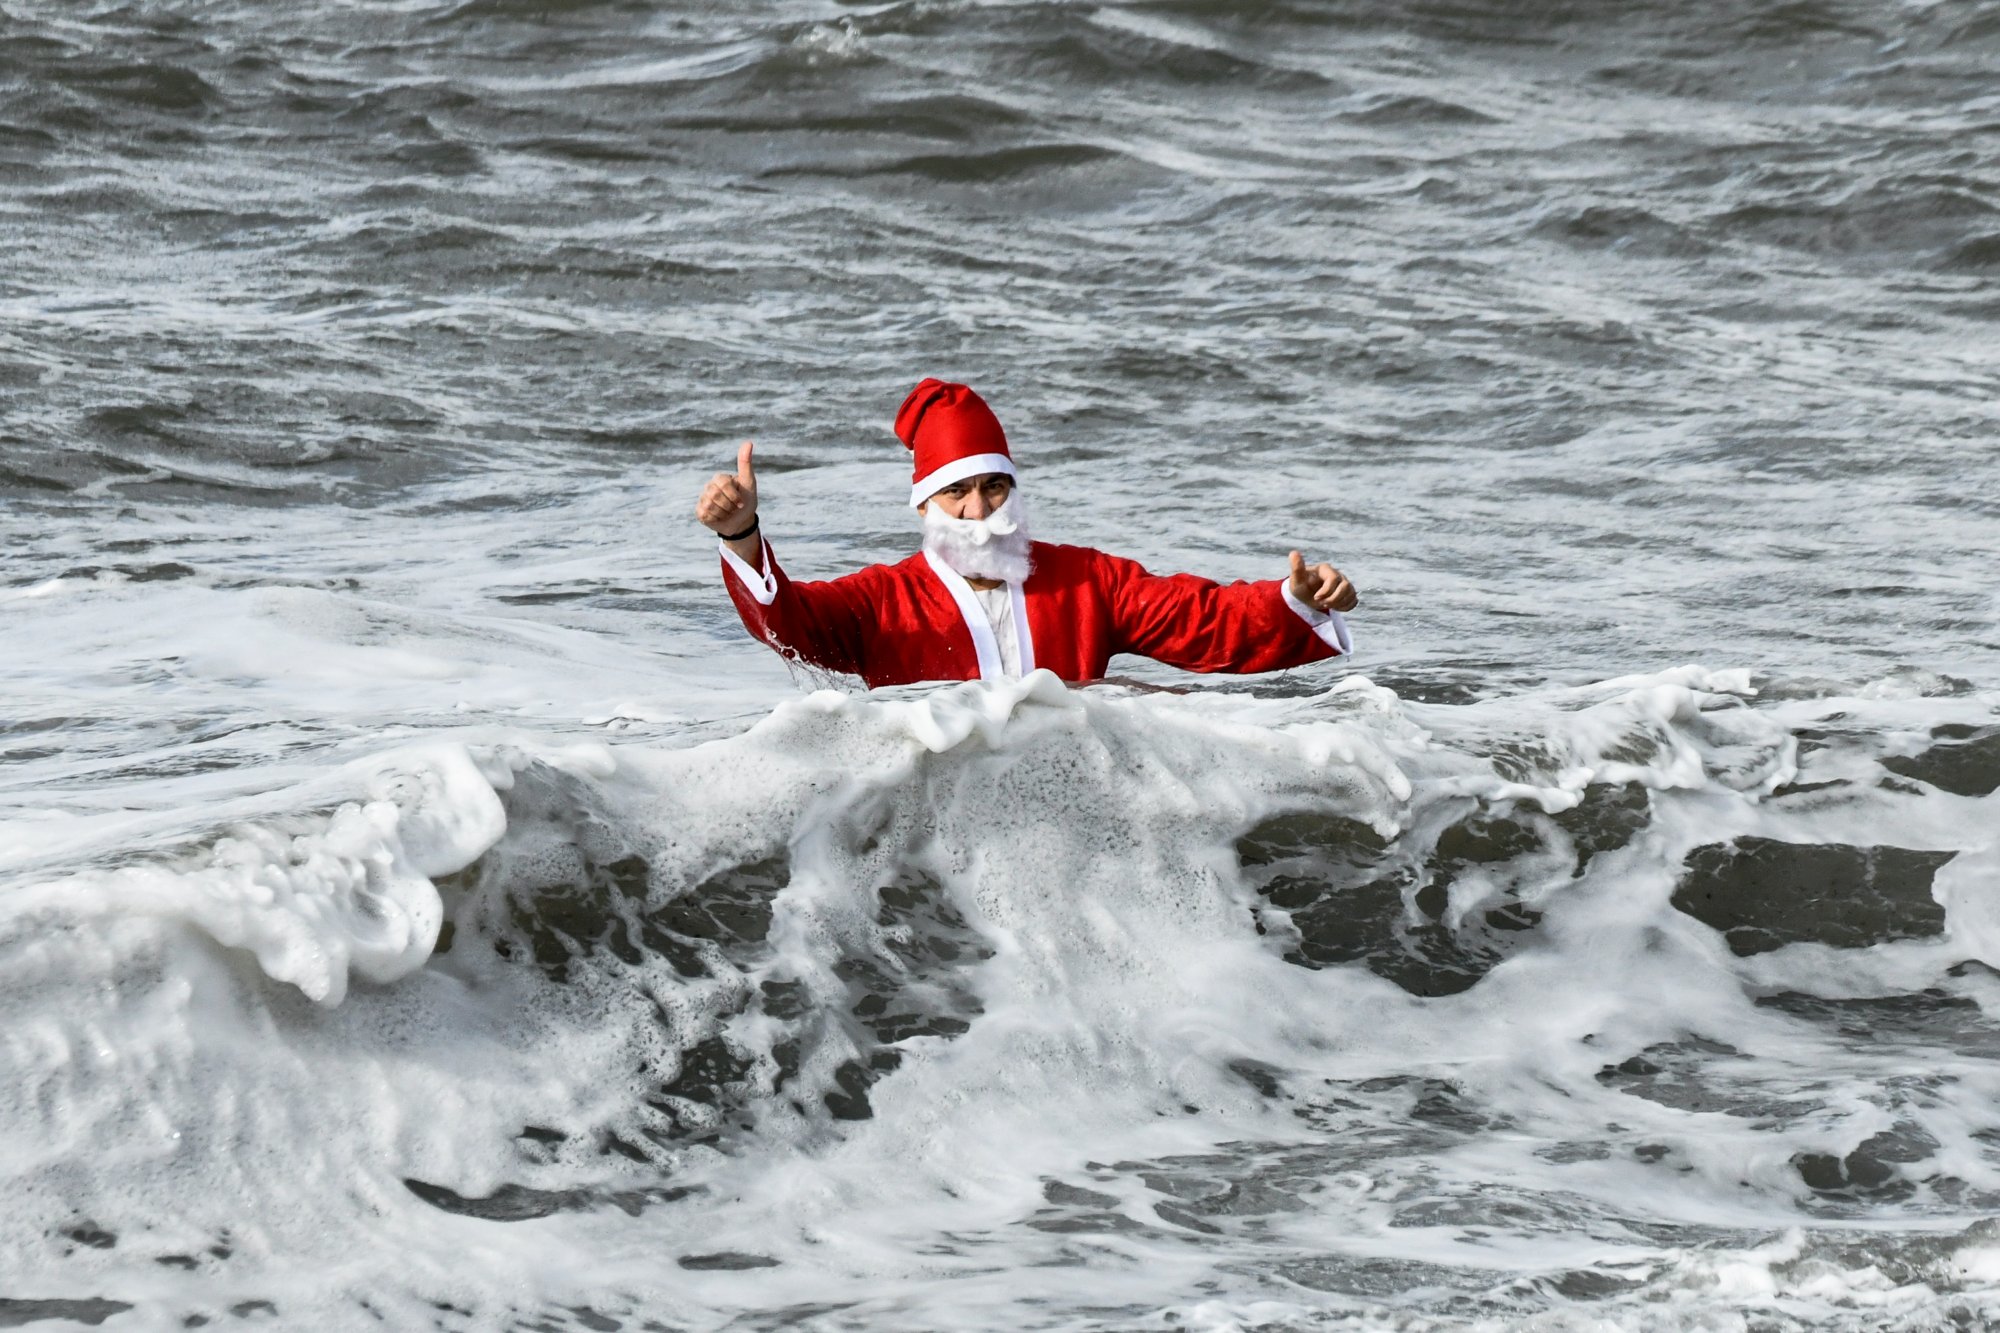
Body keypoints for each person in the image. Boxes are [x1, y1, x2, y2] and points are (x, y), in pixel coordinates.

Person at [695, 378, 1358, 688]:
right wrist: (742, 534)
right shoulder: (882, 601)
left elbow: (1202, 619)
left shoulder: (1085, 580)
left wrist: (1295, 599)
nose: (980, 509)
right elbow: (792, 624)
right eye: (957, 492)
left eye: (994, 487)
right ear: (924, 506)